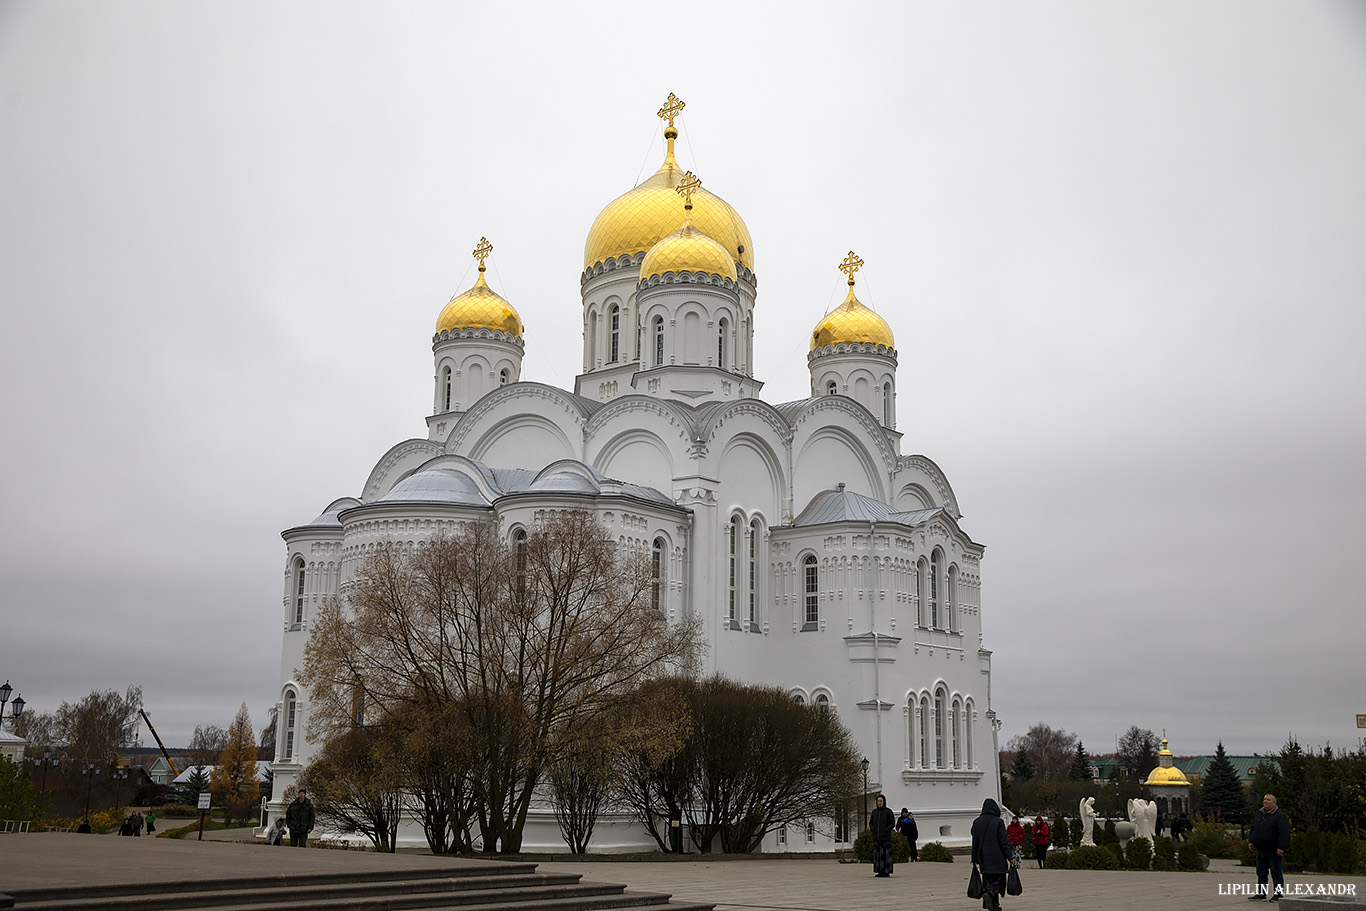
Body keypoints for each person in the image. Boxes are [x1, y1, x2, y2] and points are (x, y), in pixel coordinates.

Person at [972, 799, 1015, 911]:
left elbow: (975, 842)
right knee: (998, 880)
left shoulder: (977, 822)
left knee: (987, 880)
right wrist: (1010, 857)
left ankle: (994, 905)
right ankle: (990, 894)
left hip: (983, 858)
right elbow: (1004, 841)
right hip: (997, 857)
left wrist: (973, 858)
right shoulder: (998, 821)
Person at [1248, 793, 1291, 902]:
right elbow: (1253, 829)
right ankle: (1261, 894)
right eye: (1264, 799)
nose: (1265, 801)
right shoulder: (1259, 814)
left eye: (1268, 800)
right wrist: (1251, 841)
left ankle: (1278, 895)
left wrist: (1281, 847)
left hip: (1273, 850)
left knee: (1276, 873)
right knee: (1261, 872)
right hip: (1261, 849)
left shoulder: (1280, 816)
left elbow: (1284, 833)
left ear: (1274, 803)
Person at [868, 794, 897, 877]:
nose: (879, 803)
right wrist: (872, 829)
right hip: (877, 838)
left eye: (881, 801)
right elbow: (871, 823)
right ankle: (880, 871)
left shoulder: (888, 812)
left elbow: (892, 823)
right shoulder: (874, 812)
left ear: (884, 802)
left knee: (886, 855)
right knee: (878, 855)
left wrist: (886, 830)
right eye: (878, 801)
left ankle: (886, 871)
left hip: (886, 838)